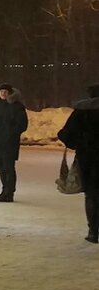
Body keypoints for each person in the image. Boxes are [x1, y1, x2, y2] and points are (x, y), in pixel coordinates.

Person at [57, 83, 99, 242]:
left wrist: (81, 143)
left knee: (92, 195)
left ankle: (94, 231)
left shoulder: (81, 112)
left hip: (87, 158)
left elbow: (65, 134)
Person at [0, 82, 28, 202]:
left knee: (8, 167)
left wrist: (10, 134)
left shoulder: (17, 106)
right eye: (1, 91)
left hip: (9, 143)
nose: (3, 94)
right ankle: (4, 190)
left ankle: (9, 193)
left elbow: (22, 125)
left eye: (5, 92)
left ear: (10, 93)